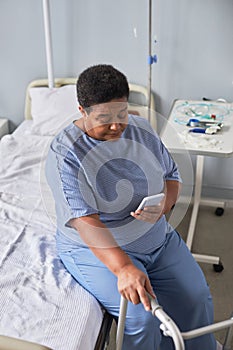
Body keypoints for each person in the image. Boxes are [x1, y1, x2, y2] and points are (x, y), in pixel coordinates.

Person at [45, 64, 219, 350]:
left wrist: (164, 203)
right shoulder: (65, 153)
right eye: (104, 118)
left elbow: (171, 176)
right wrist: (124, 267)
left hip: (156, 239)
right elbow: (83, 221)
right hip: (97, 247)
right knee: (142, 319)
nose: (116, 125)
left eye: (121, 114)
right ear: (82, 111)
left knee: (197, 298)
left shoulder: (141, 129)